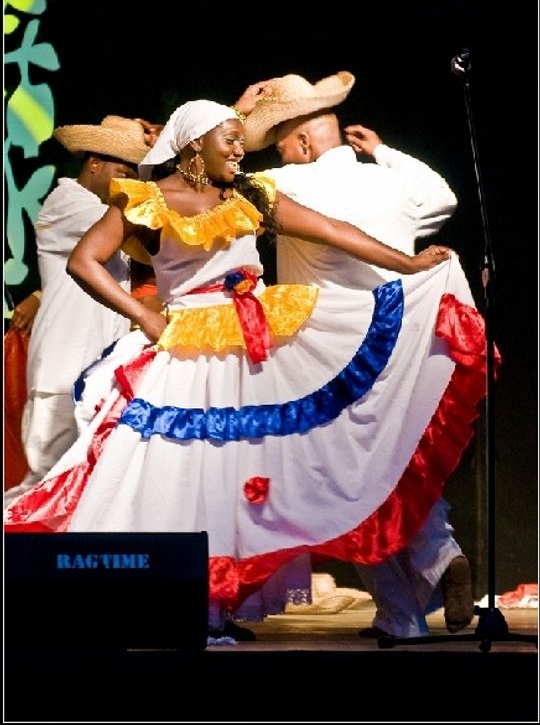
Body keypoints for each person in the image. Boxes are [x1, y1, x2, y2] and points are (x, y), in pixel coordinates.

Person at [5, 98, 478, 644]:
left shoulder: (251, 194)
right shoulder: (147, 199)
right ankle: (192, 606)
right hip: (191, 352)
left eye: (239, 140)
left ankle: (230, 603)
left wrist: (408, 264)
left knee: (267, 472)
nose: (238, 150)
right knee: (192, 479)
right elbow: (84, 260)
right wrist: (144, 315)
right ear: (194, 145)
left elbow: (330, 228)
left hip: (256, 347)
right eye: (228, 139)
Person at [240, 70, 484, 638]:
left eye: (281, 143)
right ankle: (434, 569)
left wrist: (240, 118)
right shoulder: (390, 184)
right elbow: (443, 198)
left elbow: (214, 184)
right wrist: (384, 152)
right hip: (400, 348)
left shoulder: (287, 183)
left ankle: (409, 603)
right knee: (396, 467)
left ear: (303, 143)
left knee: (344, 485)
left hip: (328, 358)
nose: (278, 153)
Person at [3, 116, 149, 506]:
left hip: (96, 368)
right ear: (93, 163)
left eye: (133, 173)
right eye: (121, 170)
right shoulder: (70, 201)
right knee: (44, 488)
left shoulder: (105, 208)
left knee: (81, 495)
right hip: (64, 371)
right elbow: (146, 243)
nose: (127, 181)